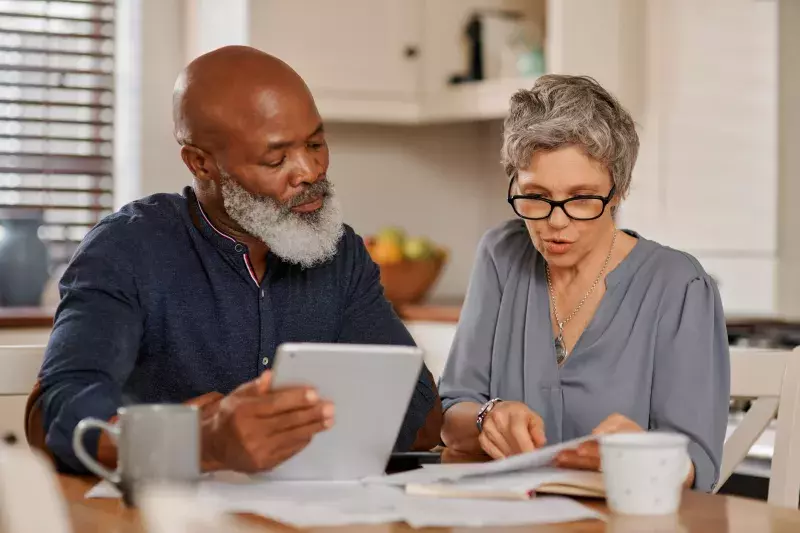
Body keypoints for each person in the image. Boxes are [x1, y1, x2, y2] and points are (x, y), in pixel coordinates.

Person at [25, 45, 442, 474]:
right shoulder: (126, 248)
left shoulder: (342, 253)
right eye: (276, 158)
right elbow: (61, 413)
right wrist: (197, 441)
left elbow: (420, 412)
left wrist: (292, 427)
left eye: (316, 143)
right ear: (201, 164)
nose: (310, 171)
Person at [438, 75, 729, 492]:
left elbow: (698, 466)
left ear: (618, 191)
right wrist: (487, 417)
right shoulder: (500, 255)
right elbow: (453, 413)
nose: (556, 222)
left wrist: (644, 456)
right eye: (535, 196)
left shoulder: (679, 285)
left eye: (581, 198)